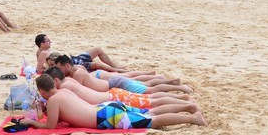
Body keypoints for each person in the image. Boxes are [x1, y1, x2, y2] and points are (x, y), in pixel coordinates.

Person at [20, 74, 206, 130]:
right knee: (151, 110)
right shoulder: (65, 91)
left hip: (105, 116)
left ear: (42, 91)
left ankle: (191, 117)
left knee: (152, 120)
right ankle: (186, 107)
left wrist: (31, 122)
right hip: (107, 107)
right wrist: (43, 110)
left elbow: (51, 126)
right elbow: (64, 113)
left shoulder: (53, 100)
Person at [44, 67, 190, 108]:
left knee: (151, 95)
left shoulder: (67, 86)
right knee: (149, 93)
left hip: (114, 92)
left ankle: (181, 94)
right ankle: (179, 93)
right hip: (113, 91)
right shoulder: (70, 79)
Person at [56, 55, 193, 94]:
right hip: (115, 84)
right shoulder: (78, 69)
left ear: (67, 65)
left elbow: (79, 92)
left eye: (59, 68)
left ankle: (180, 88)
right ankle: (172, 82)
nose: (59, 71)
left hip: (116, 84)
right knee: (145, 85)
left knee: (149, 90)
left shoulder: (78, 73)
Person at [35, 34, 127, 74]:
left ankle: (115, 66)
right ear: (42, 44)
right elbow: (39, 70)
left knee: (98, 50)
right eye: (48, 41)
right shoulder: (43, 53)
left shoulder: (43, 52)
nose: (50, 42)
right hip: (72, 63)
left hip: (73, 59)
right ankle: (116, 69)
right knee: (96, 65)